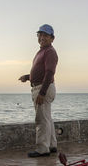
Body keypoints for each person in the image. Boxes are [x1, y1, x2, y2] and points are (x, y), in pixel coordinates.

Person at [19, 24, 58, 157]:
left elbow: (50, 72)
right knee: (47, 118)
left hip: (43, 88)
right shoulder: (42, 51)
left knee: (41, 120)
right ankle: (52, 145)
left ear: (52, 38)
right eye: (40, 35)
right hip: (40, 86)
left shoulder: (50, 52)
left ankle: (42, 149)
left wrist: (42, 92)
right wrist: (28, 77)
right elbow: (41, 72)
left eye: (45, 35)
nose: (42, 37)